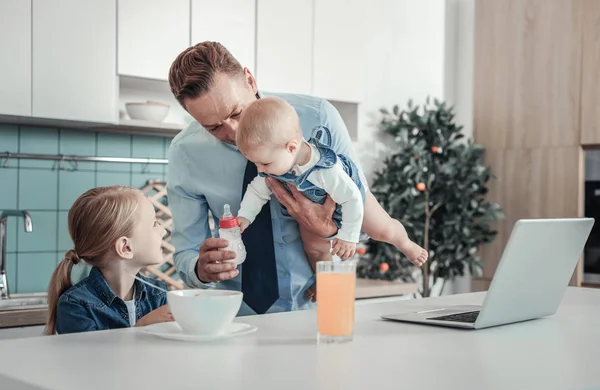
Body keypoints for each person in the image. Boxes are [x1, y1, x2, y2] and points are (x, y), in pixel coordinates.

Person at [167, 41, 367, 315]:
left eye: (236, 112)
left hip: (320, 307)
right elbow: (185, 256)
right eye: (213, 127)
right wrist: (201, 269)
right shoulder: (185, 152)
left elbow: (364, 216)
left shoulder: (318, 117)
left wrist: (327, 231)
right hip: (236, 317)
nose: (234, 132)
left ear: (250, 80)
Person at [235, 97, 428, 300]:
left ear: (291, 147)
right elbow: (256, 191)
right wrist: (245, 216)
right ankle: (323, 278)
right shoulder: (275, 163)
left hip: (350, 199)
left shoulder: (326, 171)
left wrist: (348, 236)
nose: (260, 169)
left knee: (384, 230)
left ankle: (406, 243)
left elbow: (352, 199)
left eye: (264, 163)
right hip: (313, 206)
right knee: (314, 248)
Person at [45, 186, 174, 335]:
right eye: (154, 224)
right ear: (125, 247)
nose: (163, 231)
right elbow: (88, 357)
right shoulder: (75, 305)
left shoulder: (159, 294)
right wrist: (141, 327)